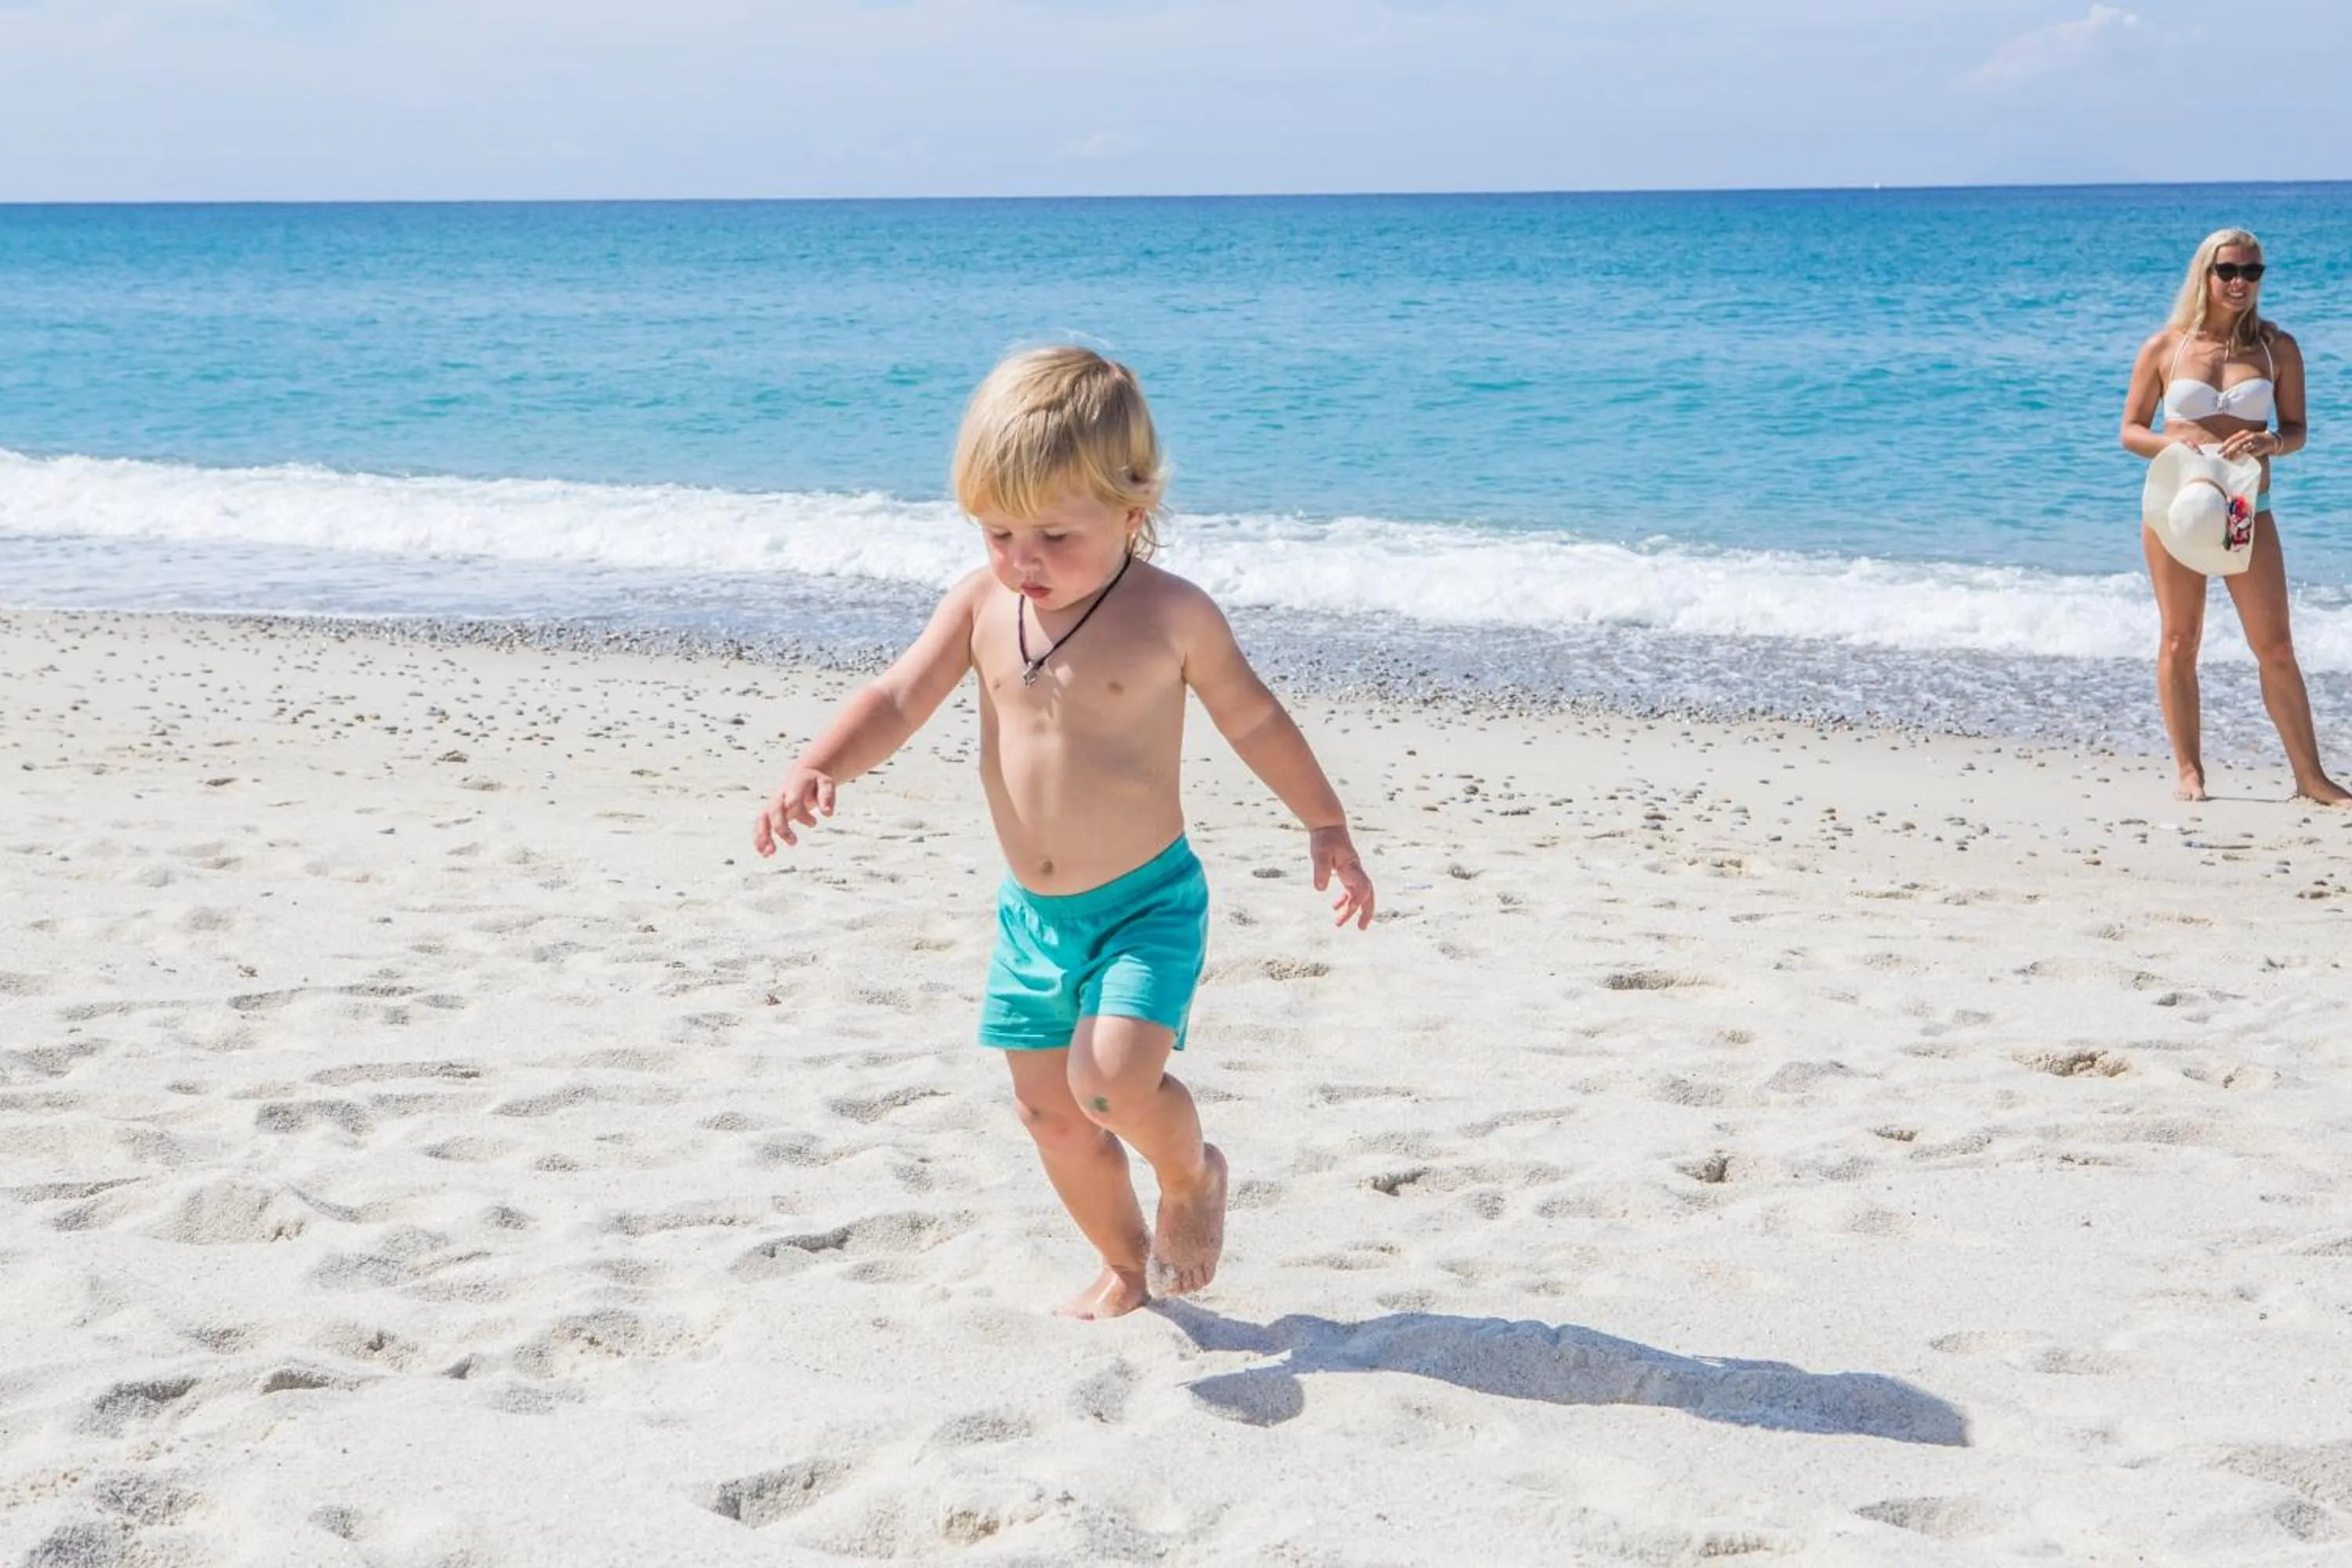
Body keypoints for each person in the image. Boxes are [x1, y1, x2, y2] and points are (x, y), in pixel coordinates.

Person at [753, 346, 1377, 1319]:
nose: (1022, 559)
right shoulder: (980, 603)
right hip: (1033, 917)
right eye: (998, 530)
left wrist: (1325, 821)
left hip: (1145, 905)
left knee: (1110, 1082)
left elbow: (1255, 719)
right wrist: (819, 762)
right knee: (1051, 1114)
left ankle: (1190, 1175)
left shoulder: (1171, 616)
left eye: (1053, 532)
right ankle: (1128, 1267)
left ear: (1134, 512)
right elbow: (897, 696)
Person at [2120, 227, 2350, 805]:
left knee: (2274, 646)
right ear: (2206, 275)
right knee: (2180, 638)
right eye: (2228, 271)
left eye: (2253, 272)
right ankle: (2189, 772)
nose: (2240, 282)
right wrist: (2179, 450)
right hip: (2177, 506)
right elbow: (2130, 430)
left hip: (2246, 509)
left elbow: (2296, 430)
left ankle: (2311, 778)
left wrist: (2271, 443)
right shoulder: (2165, 347)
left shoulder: (2277, 348)